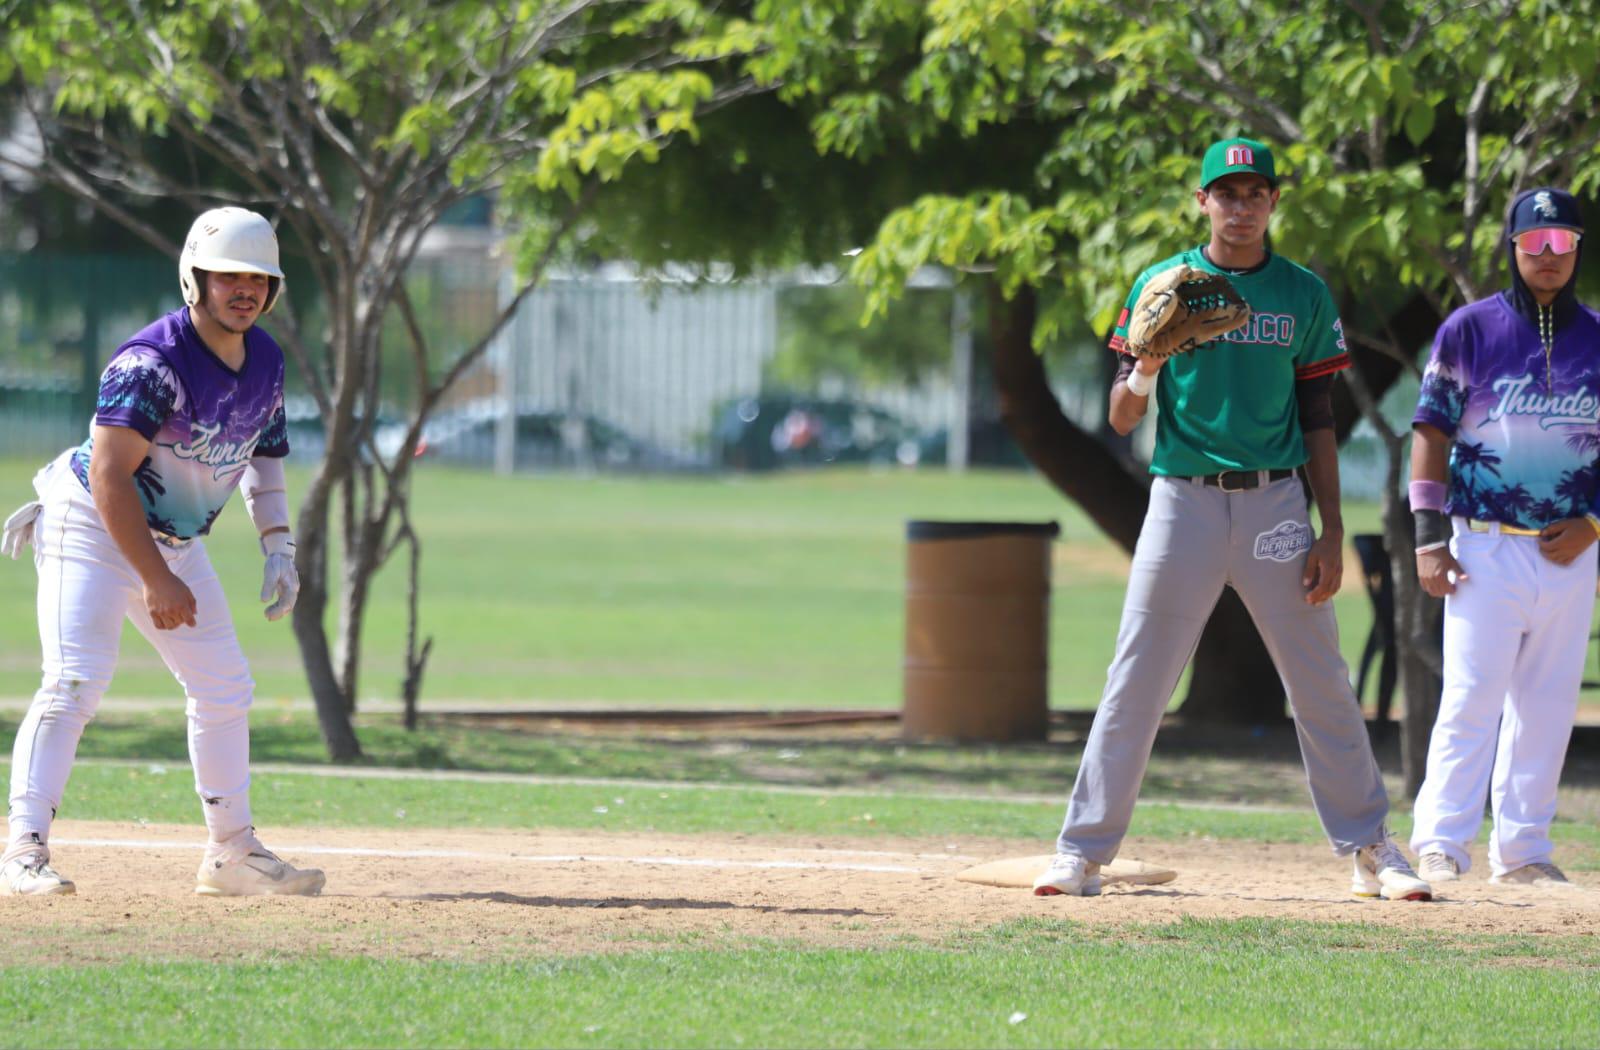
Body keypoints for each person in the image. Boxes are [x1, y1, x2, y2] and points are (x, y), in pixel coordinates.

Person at [1034, 137, 1431, 901]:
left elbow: (1319, 413)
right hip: (1181, 499)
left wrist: (1332, 530)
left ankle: (1372, 848)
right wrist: (1145, 364)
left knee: (1319, 679)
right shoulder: (1163, 281)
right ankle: (1081, 851)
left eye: (1255, 192)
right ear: (1203, 202)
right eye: (1227, 192)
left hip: (1277, 503)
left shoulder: (1303, 293)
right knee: (1138, 675)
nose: (1241, 206)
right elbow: (1121, 419)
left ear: (1274, 202)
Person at [0, 207, 325, 897]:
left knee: (224, 687)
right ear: (194, 279)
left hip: (173, 544)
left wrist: (278, 545)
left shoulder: (265, 359)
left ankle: (231, 852)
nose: (245, 289)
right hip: (91, 523)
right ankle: (21, 850)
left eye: (258, 277)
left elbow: (265, 455)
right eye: (227, 275)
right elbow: (109, 475)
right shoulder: (151, 364)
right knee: (74, 684)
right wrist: (154, 578)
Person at [1408, 186, 1599, 888]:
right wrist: (1430, 539)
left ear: (1578, 247)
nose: (1548, 256)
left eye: (1562, 242)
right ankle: (1441, 843)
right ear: (1512, 248)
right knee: (1471, 698)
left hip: (1572, 547)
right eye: (1534, 243)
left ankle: (1523, 852)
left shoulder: (1599, 337)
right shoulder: (1470, 329)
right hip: (1484, 544)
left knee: (1548, 707)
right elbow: (1430, 431)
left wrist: (1595, 523)